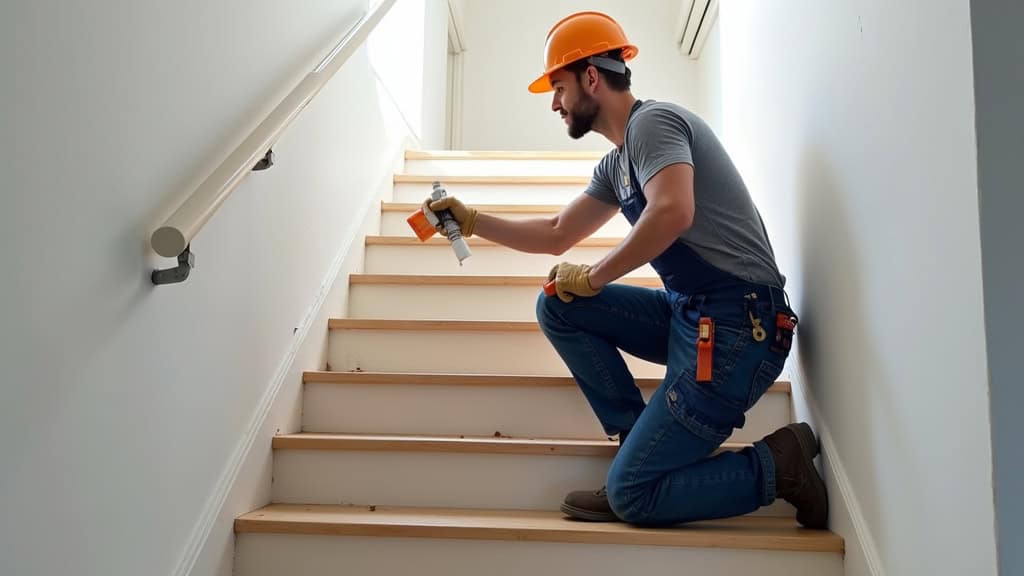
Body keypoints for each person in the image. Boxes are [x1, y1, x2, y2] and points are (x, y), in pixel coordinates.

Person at [424, 11, 828, 529]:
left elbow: (672, 210)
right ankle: (637, 437)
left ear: (591, 76)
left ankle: (780, 466)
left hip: (738, 329)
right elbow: (555, 233)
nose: (554, 103)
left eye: (558, 87)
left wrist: (595, 276)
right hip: (694, 315)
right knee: (557, 303)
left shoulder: (653, 124)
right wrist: (473, 220)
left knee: (633, 496)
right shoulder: (617, 165)